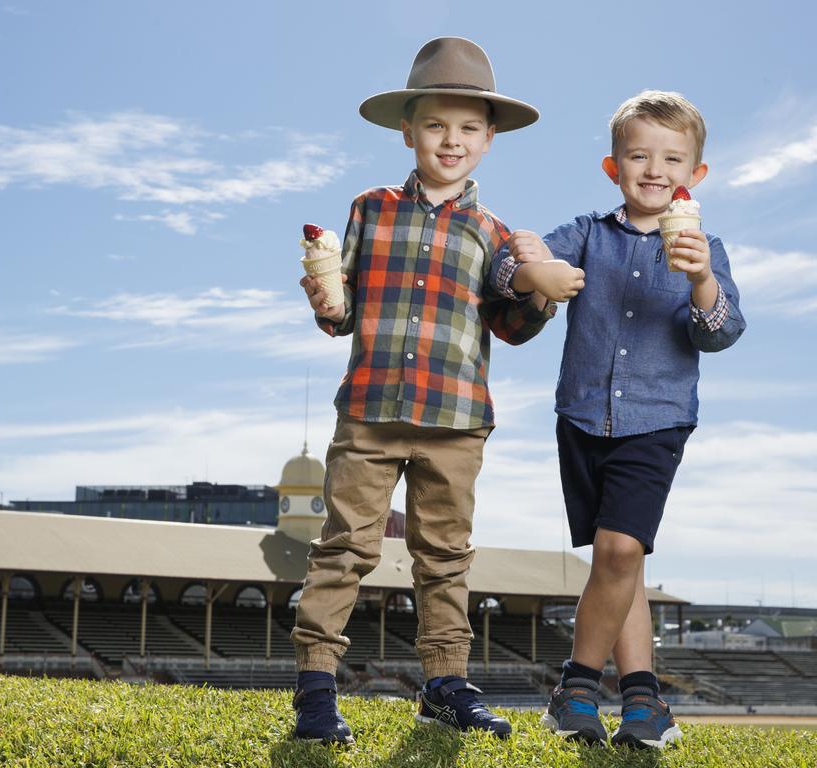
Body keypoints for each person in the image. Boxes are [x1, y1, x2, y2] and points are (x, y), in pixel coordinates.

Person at [290, 36, 583, 744]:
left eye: (469, 128)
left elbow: (511, 325)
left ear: (488, 139)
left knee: (445, 557)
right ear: (408, 129)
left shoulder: (496, 234)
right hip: (369, 408)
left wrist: (542, 293)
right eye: (436, 125)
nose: (451, 140)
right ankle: (315, 690)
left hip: (456, 418)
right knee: (344, 548)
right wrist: (325, 297)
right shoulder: (369, 208)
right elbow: (344, 311)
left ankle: (444, 685)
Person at [492, 90, 746, 749]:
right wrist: (533, 275)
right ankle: (644, 703)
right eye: (639, 155)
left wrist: (700, 283)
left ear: (697, 176)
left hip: (656, 422)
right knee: (617, 564)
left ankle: (575, 688)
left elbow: (721, 332)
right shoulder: (588, 235)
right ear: (614, 168)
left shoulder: (706, 249)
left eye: (672, 158)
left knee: (619, 549)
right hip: (581, 420)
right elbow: (509, 270)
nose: (655, 169)